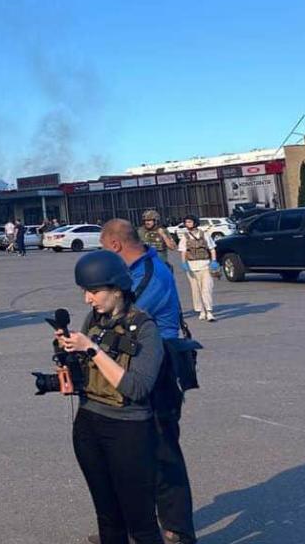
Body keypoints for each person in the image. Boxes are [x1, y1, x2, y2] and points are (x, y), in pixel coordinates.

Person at [57, 250, 165, 544]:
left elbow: (137, 388)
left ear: (117, 290)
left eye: (93, 291)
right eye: (84, 292)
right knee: (107, 516)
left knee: (140, 521)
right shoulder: (93, 321)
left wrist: (92, 349)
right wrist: (67, 362)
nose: (87, 299)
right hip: (89, 423)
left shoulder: (145, 329)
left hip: (128, 430)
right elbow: (87, 372)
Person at [100, 219, 196, 544]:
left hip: (160, 365)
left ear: (114, 246)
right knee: (130, 453)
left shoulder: (152, 273)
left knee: (163, 451)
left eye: (104, 250)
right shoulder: (137, 270)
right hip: (133, 363)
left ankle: (178, 530)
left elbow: (127, 317)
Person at [177, 215, 217, 322]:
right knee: (196, 290)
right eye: (186, 222)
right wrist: (184, 263)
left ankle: (209, 311)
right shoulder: (185, 237)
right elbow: (183, 252)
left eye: (190, 222)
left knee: (207, 288)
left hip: (205, 265)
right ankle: (201, 311)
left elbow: (212, 249)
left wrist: (214, 261)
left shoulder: (204, 235)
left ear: (195, 223)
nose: (188, 224)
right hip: (192, 266)